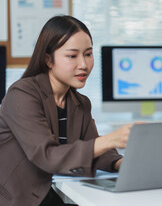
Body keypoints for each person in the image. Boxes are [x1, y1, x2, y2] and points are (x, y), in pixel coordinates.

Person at [0, 15, 133, 205]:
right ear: (48, 59)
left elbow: (95, 147)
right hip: (17, 198)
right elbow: (47, 155)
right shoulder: (22, 94)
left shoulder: (80, 103)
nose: (84, 65)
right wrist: (110, 139)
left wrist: (122, 164)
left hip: (46, 192)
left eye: (88, 54)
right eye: (72, 56)